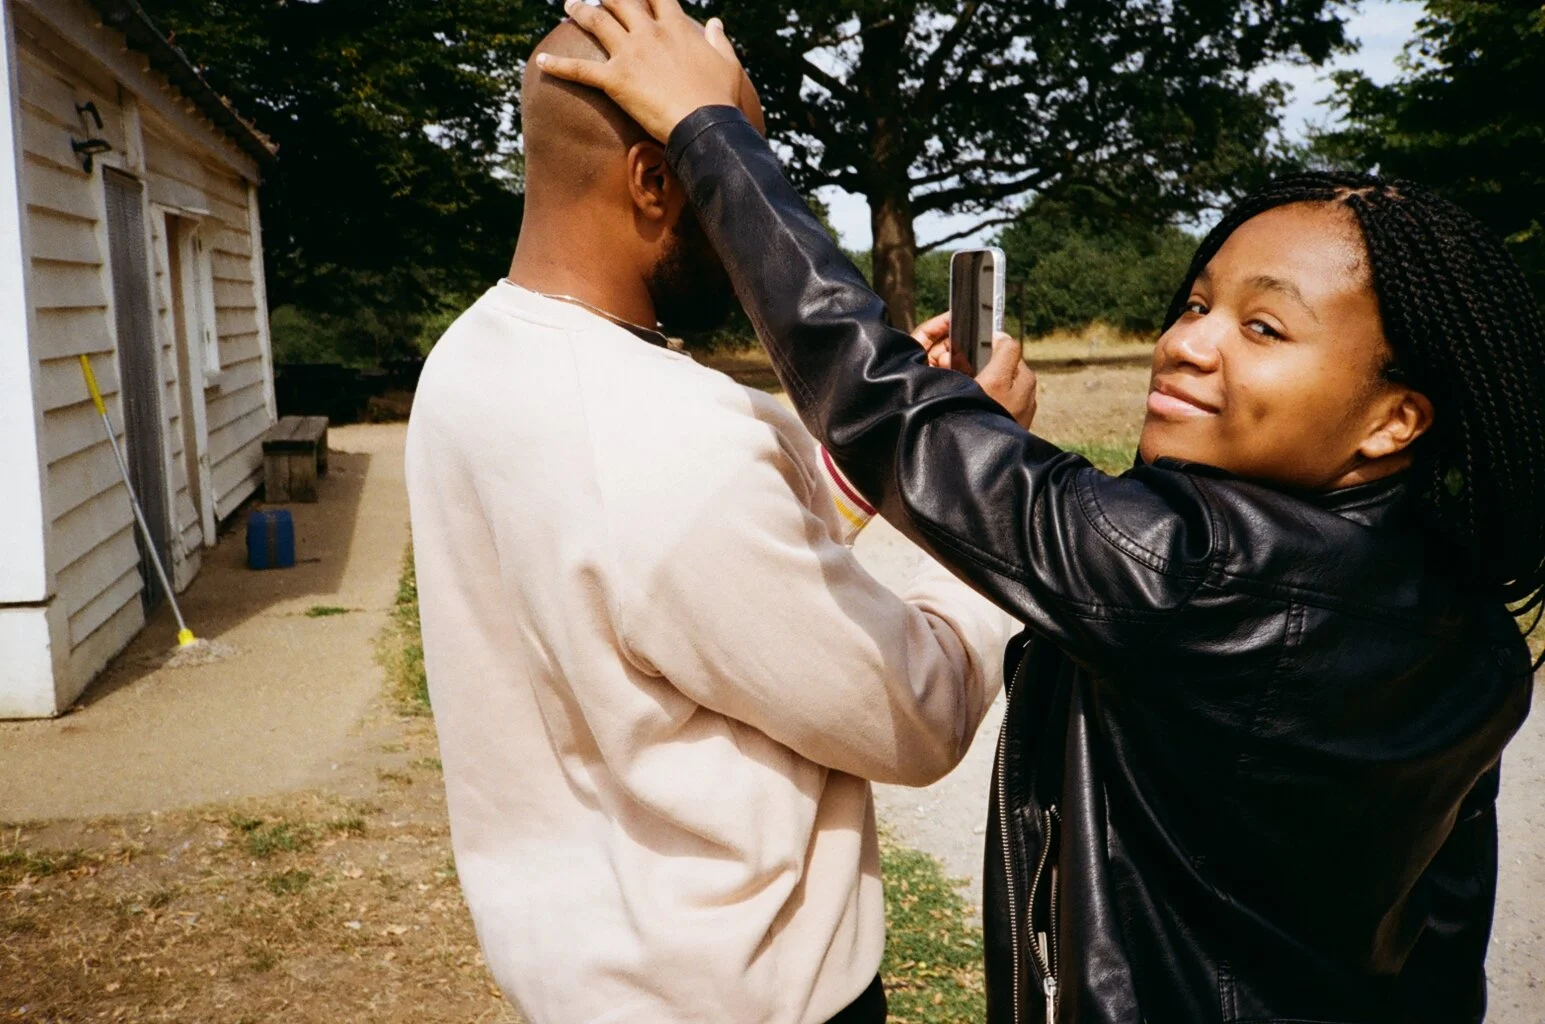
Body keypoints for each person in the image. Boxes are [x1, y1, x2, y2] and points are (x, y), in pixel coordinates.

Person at [539, 4, 1545, 1022]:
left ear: (1393, 419)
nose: (1190, 344)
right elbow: (1440, 942)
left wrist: (715, 133)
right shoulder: (1480, 643)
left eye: (1264, 326)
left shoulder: (1190, 572)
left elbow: (882, 406)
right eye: (1197, 304)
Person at [403, 19, 1026, 1024]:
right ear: (656, 181)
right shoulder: (672, 441)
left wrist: (872, 466)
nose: (764, 206)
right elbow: (922, 710)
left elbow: (670, 576)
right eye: (736, 161)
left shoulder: (471, 361)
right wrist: (983, 488)